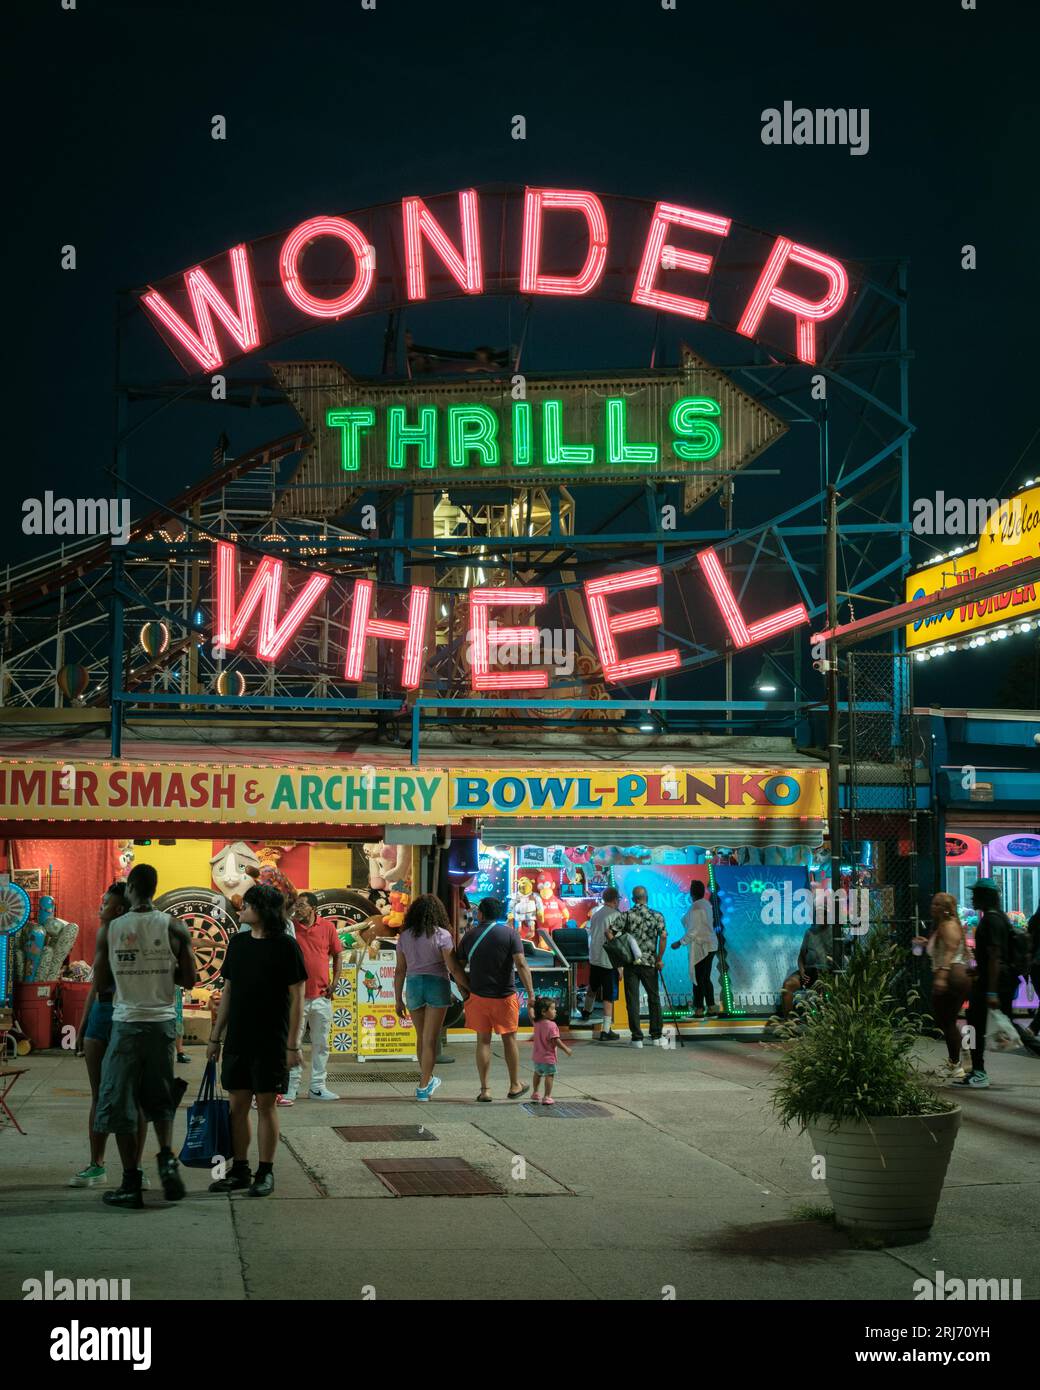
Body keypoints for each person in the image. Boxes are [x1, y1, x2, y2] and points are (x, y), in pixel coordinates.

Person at [91, 864, 197, 1209]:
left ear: (133, 887)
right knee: (160, 1096)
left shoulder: (111, 928)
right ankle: (166, 1156)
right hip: (162, 1024)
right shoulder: (174, 926)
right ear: (154, 887)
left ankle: (130, 1182)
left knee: (121, 1100)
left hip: (126, 1023)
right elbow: (189, 980)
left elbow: (101, 984)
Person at [206, 884, 307, 1195]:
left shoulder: (286, 946)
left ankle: (266, 1171)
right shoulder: (237, 944)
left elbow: (298, 998)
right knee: (236, 1106)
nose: (241, 910)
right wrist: (215, 1037)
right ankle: (240, 1169)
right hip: (238, 1037)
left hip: (271, 1039)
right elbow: (228, 992)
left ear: (262, 910)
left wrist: (292, 1044)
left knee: (265, 1105)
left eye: (246, 905)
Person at [69, 883, 146, 1188]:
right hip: (101, 1015)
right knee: (99, 1094)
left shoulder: (136, 938)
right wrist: (84, 1023)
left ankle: (135, 1170)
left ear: (118, 909)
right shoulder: (103, 937)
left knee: (132, 1096)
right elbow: (95, 987)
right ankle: (96, 1164)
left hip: (127, 1016)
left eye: (105, 902)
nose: (99, 906)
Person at [456, 896, 537, 1101]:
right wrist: (531, 994)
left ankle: (485, 1090)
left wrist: (465, 989)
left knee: (483, 1041)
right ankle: (514, 1085)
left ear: (480, 914)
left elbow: (457, 967)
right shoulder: (510, 934)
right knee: (510, 1040)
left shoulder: (470, 936)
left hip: (479, 996)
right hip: (505, 996)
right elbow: (521, 964)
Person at [393, 894, 465, 1100]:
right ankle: (423, 1086)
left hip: (414, 985)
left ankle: (426, 1078)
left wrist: (398, 999)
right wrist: (464, 987)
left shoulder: (405, 936)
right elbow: (451, 966)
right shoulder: (442, 934)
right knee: (430, 1038)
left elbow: (400, 970)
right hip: (437, 984)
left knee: (421, 1037)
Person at [953, 879, 1016, 1089]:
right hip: (997, 982)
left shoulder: (990, 921)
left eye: (976, 894)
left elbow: (995, 956)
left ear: (985, 897)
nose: (972, 897)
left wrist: (991, 991)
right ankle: (975, 1069)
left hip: (991, 985)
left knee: (972, 1027)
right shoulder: (1000, 918)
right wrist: (979, 969)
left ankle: (978, 1072)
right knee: (995, 1025)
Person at [287, 891, 342, 1102]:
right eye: (296, 905)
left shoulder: (327, 927)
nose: (297, 909)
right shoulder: (290, 928)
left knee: (321, 1043)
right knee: (294, 1043)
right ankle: (291, 1088)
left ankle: (317, 1087)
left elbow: (338, 954)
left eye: (301, 905)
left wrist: (335, 982)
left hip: (322, 996)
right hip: (296, 998)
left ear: (313, 908)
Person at [914, 892, 972, 1080]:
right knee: (948, 1021)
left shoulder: (947, 926)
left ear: (947, 908)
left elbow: (948, 952)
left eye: (938, 905)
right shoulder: (945, 926)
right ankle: (963, 1057)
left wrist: (941, 977)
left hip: (952, 975)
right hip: (955, 975)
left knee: (946, 1021)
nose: (933, 907)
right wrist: (926, 943)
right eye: (933, 904)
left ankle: (956, 1064)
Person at [617, 885, 666, 1047]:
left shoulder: (627, 915)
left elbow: (610, 932)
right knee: (654, 998)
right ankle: (657, 1035)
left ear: (633, 899)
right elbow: (663, 936)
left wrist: (620, 952)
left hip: (631, 963)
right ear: (647, 897)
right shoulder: (657, 916)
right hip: (650, 963)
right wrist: (659, 958)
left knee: (632, 1000)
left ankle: (637, 1038)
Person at [674, 879, 719, 1017]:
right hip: (710, 945)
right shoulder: (705, 904)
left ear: (691, 893)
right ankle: (711, 1007)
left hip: (702, 946)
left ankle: (699, 1009)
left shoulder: (697, 907)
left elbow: (693, 930)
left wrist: (680, 942)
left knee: (698, 979)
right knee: (705, 978)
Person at [583, 887, 622, 1039]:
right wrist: (620, 966)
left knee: (592, 986)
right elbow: (617, 942)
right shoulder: (616, 915)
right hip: (608, 960)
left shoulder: (596, 914)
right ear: (615, 900)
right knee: (609, 995)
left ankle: (586, 1012)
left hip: (595, 957)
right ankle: (606, 1030)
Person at [530, 997, 572, 1105]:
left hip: (537, 1057)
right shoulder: (552, 1025)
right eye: (553, 1009)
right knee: (549, 1075)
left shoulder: (537, 1023)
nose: (555, 1011)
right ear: (544, 1012)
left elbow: (531, 1015)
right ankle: (547, 1097)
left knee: (537, 1073)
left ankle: (535, 1092)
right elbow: (555, 1041)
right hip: (548, 1057)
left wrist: (529, 1006)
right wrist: (566, 1049)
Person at [798, 920, 833, 987]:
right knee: (788, 984)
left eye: (824, 913)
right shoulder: (809, 932)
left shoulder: (836, 933)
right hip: (809, 973)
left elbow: (842, 960)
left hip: (828, 974)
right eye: (818, 914)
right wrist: (802, 972)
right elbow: (801, 957)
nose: (821, 916)